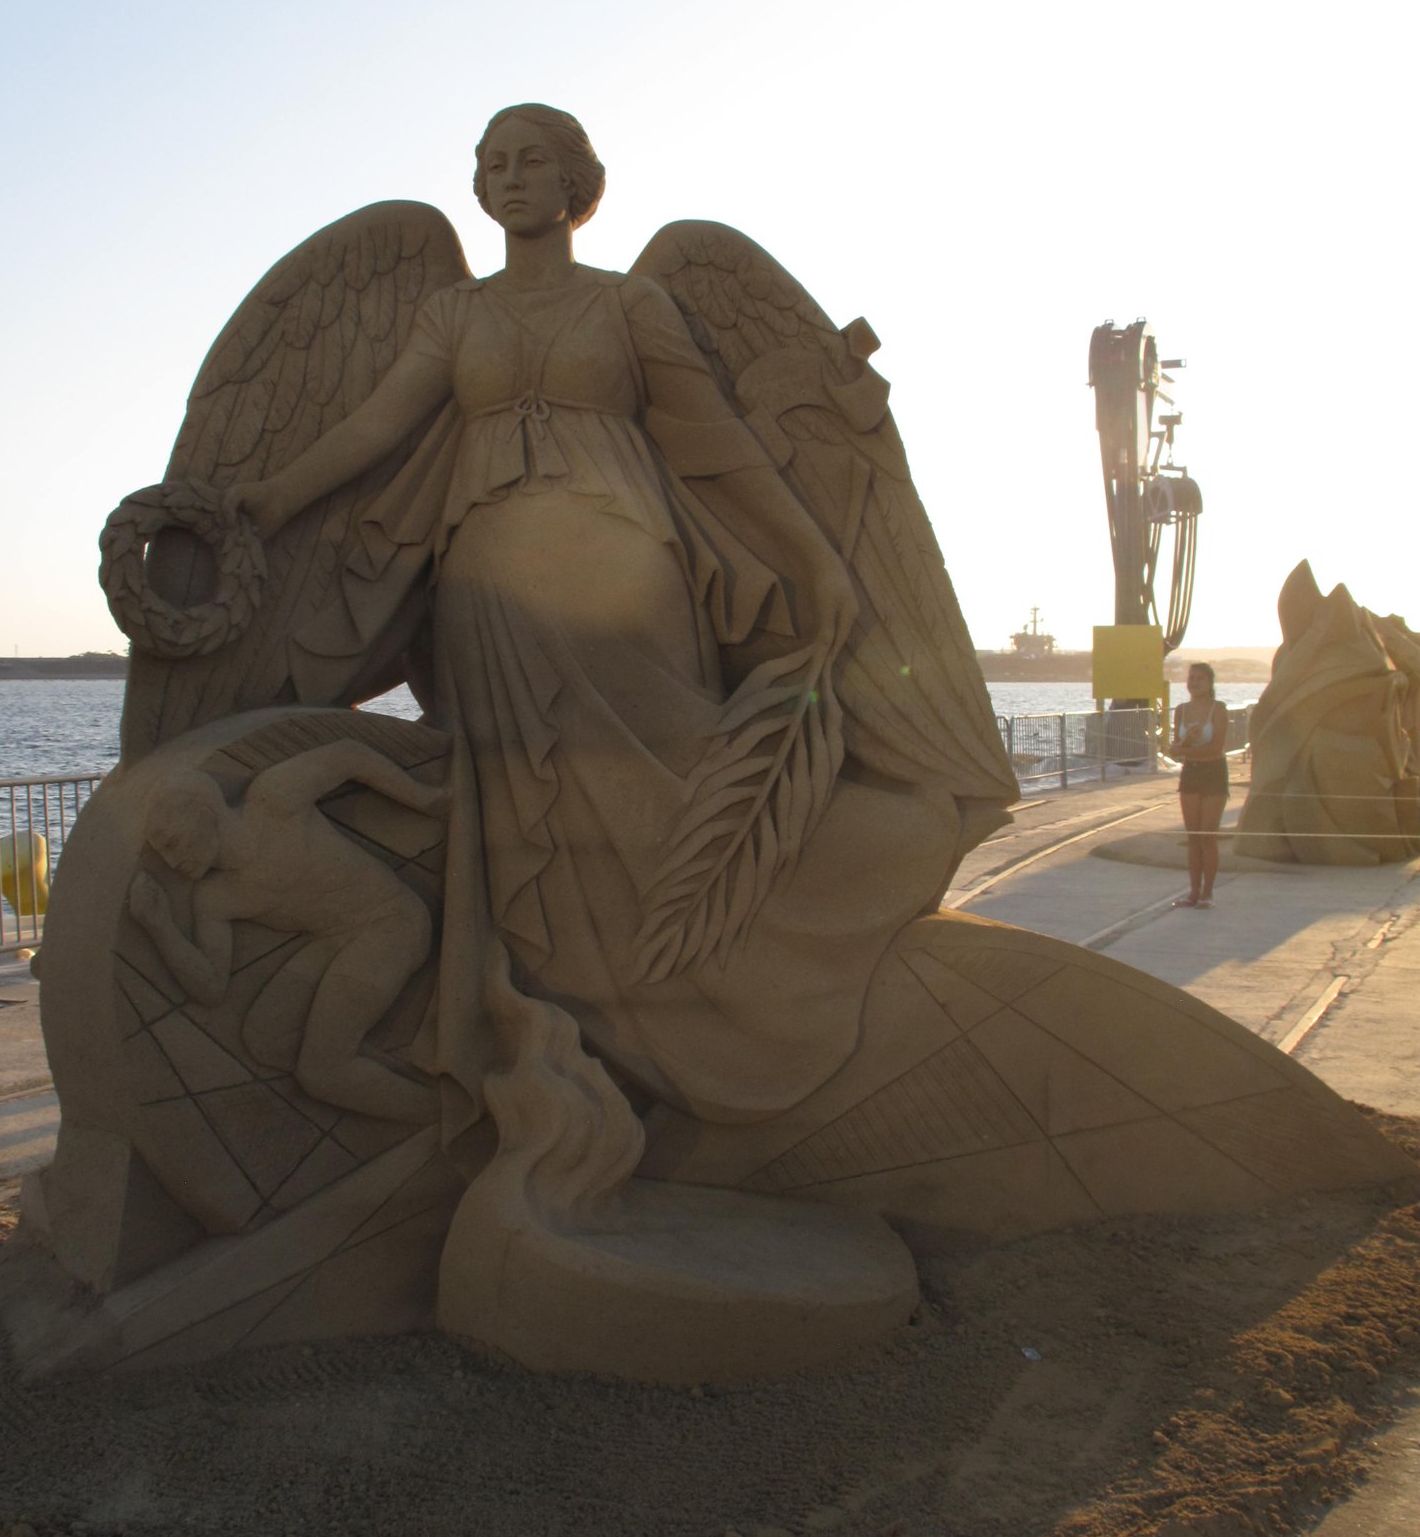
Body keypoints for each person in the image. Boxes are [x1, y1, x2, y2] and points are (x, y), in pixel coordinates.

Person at [227, 104, 982, 1182]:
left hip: (628, 577)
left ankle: (762, 957)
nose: (509, 176)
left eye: (532, 158)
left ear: (580, 180)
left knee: (667, 772)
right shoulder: (453, 313)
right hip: (488, 589)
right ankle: (580, 1034)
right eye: (492, 163)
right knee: (529, 818)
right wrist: (266, 500)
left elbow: (713, 444)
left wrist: (812, 556)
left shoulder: (632, 306)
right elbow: (373, 429)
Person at [128, 737, 446, 1120]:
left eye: (175, 843)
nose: (175, 862)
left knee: (322, 1074)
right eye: (165, 855)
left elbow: (349, 754)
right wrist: (160, 926)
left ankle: (449, 1120)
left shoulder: (273, 801)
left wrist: (423, 798)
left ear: (204, 812)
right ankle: (383, 1072)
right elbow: (211, 987)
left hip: (391, 924)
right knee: (266, 1039)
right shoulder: (217, 898)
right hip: (338, 938)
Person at [1172, 660, 1229, 907]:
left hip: (1214, 773)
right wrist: (1187, 742)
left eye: (1200, 679)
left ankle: (1208, 892)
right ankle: (1193, 891)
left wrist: (1187, 750)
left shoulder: (1218, 709)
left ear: (1210, 683)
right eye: (1191, 678)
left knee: (1208, 836)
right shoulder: (1181, 710)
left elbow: (1216, 749)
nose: (1194, 683)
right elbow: (1175, 749)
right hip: (1191, 773)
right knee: (1193, 836)